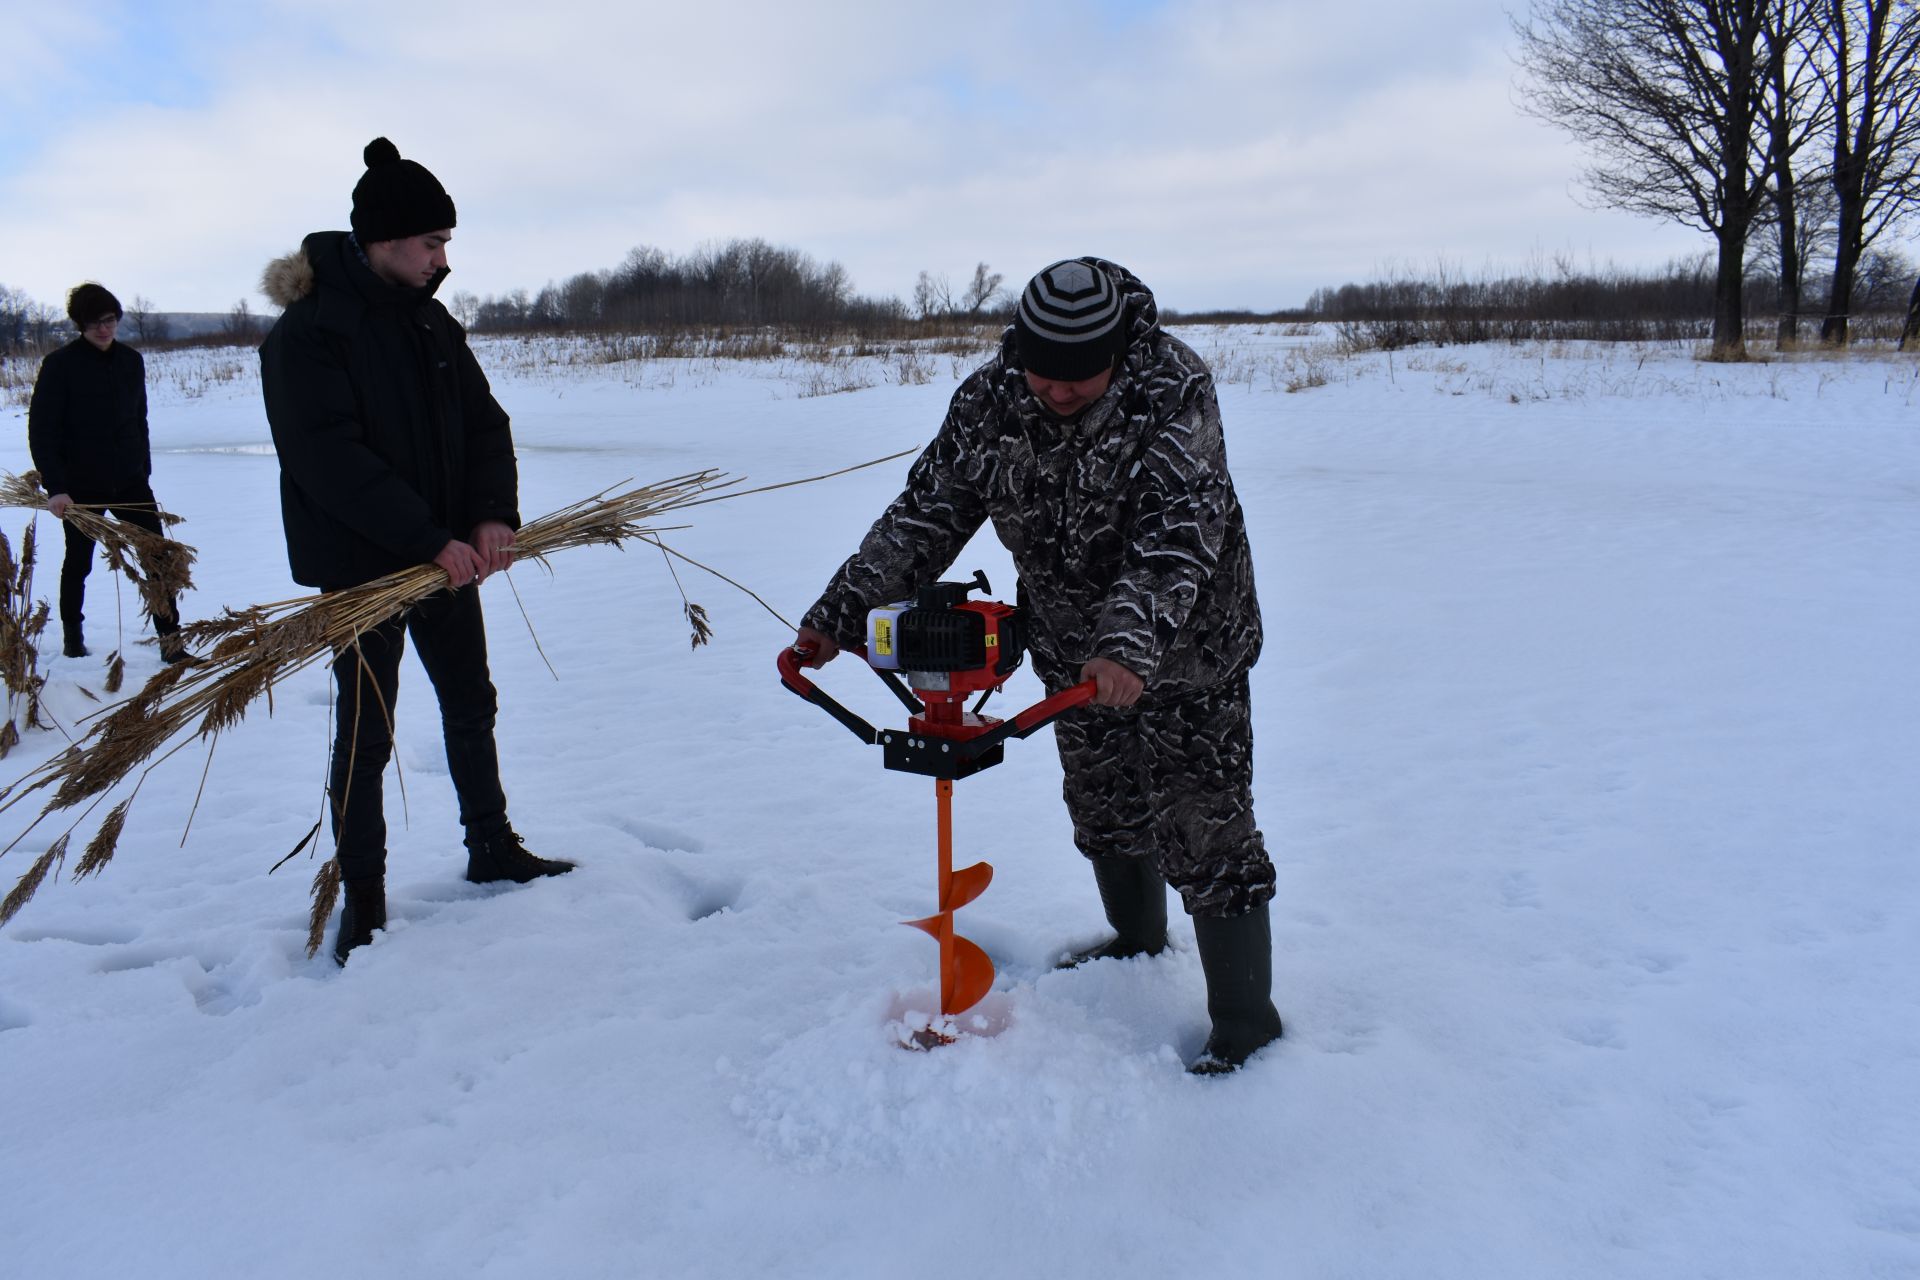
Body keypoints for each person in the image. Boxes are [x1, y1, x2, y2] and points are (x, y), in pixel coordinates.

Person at [792, 257, 1281, 1074]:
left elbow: (1176, 534)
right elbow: (927, 513)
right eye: (1040, 374)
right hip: (1066, 648)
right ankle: (1135, 939)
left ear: (1119, 352)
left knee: (1205, 822)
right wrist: (839, 616)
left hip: (1189, 648)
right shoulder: (990, 401)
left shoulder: (1174, 390)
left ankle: (1245, 1019)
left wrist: (1128, 646)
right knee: (1104, 802)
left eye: (1078, 378)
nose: (1054, 392)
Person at [258, 137, 572, 967]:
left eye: (445, 245)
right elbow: (328, 459)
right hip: (366, 565)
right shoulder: (309, 333)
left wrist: (490, 517)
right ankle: (363, 901)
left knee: (472, 702)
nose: (443, 260)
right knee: (366, 734)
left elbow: (483, 426)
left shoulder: (432, 320)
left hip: (448, 559)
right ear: (384, 240)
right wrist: (428, 539)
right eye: (432, 243)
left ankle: (491, 846)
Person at [26, 282, 185, 661]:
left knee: (158, 559)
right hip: (81, 487)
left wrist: (143, 468)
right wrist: (57, 488)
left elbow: (139, 420)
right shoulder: (60, 365)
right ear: (80, 324)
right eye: (95, 322)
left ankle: (171, 642)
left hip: (130, 483)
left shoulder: (131, 361)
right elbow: (42, 430)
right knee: (78, 562)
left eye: (110, 320)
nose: (104, 328)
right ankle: (72, 637)